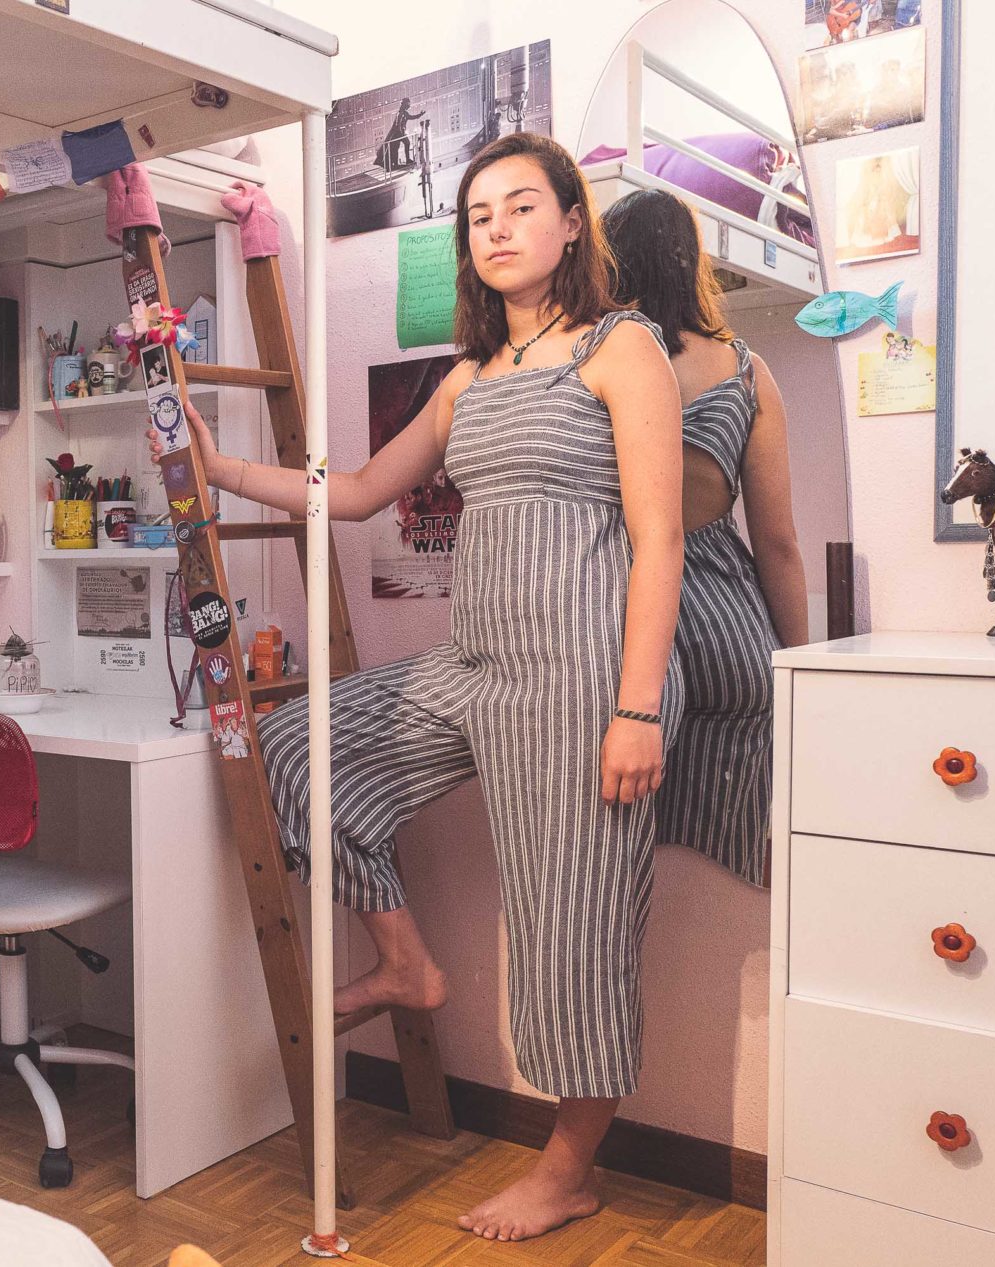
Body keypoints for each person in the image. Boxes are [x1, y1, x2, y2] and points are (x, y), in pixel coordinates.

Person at [155, 131, 684, 1242]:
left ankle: (567, 1170)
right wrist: (220, 466)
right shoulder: (468, 379)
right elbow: (352, 492)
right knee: (298, 748)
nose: (497, 229)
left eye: (520, 207)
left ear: (571, 223)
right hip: (475, 666)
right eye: (478, 215)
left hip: (583, 679)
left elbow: (661, 539)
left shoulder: (620, 347)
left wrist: (637, 707)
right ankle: (405, 961)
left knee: (574, 924)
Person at [603, 188, 809, 887]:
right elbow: (778, 543)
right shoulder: (746, 370)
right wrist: (797, 669)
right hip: (731, 630)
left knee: (624, 861)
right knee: (736, 863)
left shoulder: (595, 363)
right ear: (690, 263)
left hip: (625, 622)